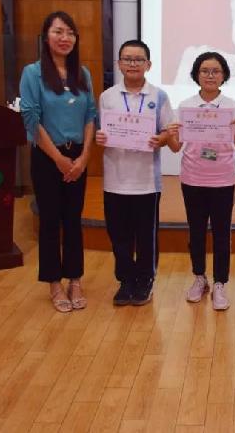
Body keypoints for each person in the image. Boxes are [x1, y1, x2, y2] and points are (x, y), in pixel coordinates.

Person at [20, 11, 96, 313]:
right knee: (50, 220)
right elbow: (31, 118)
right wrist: (59, 159)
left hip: (78, 156)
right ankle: (54, 283)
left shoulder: (83, 74)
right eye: (58, 32)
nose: (65, 38)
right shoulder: (33, 73)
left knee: (73, 220)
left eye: (70, 33)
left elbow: (90, 115)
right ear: (46, 36)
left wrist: (84, 156)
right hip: (47, 156)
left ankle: (75, 279)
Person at [95, 40, 177, 306]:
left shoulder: (159, 96)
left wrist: (160, 139)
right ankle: (126, 280)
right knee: (118, 235)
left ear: (148, 65)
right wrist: (100, 137)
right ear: (119, 64)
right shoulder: (107, 97)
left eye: (138, 59)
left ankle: (145, 280)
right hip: (115, 179)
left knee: (145, 236)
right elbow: (102, 131)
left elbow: (168, 132)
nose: (132, 64)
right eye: (127, 59)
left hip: (146, 182)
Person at [172, 52, 235, 310]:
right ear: (196, 74)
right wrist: (170, 134)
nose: (210, 75)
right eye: (204, 71)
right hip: (192, 178)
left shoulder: (231, 106)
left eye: (216, 71)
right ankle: (199, 278)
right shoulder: (186, 106)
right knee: (196, 232)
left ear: (224, 75)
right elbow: (176, 146)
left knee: (221, 233)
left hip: (222, 179)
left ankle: (220, 283)